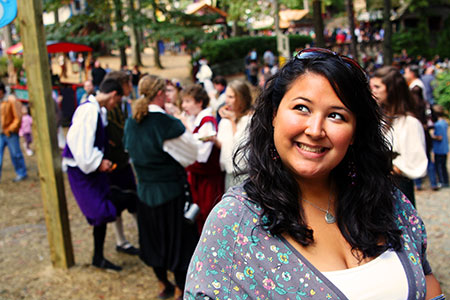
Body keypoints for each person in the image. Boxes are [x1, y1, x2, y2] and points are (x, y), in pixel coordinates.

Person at [185, 48, 444, 299]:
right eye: (302, 108)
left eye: (335, 115)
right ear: (274, 114)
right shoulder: (234, 222)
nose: (315, 130)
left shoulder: (390, 202)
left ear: (354, 132)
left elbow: (428, 286)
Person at [123, 75, 199, 299]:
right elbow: (191, 154)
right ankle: (178, 287)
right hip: (170, 193)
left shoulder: (132, 122)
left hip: (145, 192)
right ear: (160, 94)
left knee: (153, 239)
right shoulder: (166, 124)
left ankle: (161, 282)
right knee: (177, 242)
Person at [62, 78, 135, 271]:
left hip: (91, 170)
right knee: (101, 210)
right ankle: (98, 256)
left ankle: (98, 256)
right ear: (113, 95)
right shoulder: (88, 111)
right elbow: (80, 145)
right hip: (83, 171)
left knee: (102, 213)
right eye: (117, 101)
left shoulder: (98, 111)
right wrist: (96, 161)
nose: (115, 106)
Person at [371, 66, 428, 206]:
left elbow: (417, 163)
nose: (373, 91)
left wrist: (390, 167)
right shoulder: (382, 119)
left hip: (398, 189)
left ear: (391, 90)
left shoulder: (410, 123)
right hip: (379, 188)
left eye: (377, 87)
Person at [103, 71, 139, 256]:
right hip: (114, 162)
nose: (130, 87)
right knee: (117, 201)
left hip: (123, 160)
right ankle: (121, 240)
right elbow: (116, 133)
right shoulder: (110, 107)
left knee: (133, 199)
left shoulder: (124, 104)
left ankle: (142, 236)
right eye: (128, 84)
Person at [180, 84, 224, 233]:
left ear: (199, 102)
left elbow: (202, 156)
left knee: (208, 212)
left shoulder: (207, 121)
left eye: (187, 101)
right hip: (200, 178)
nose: (183, 105)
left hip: (208, 179)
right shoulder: (195, 119)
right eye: (183, 101)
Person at [213, 80, 253, 190]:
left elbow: (239, 146)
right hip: (229, 172)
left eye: (231, 97)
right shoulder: (226, 119)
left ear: (241, 98)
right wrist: (213, 140)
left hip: (243, 173)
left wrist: (232, 120)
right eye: (226, 96)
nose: (226, 101)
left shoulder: (249, 119)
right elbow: (224, 145)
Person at [0, 86, 27, 182]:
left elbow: (18, 117)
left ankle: (21, 173)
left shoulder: (11, 100)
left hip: (10, 133)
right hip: (1, 133)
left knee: (15, 154)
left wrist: (11, 129)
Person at [431, 104, 449, 188]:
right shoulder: (445, 122)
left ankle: (442, 181)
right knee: (443, 166)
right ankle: (445, 180)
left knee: (439, 166)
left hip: (439, 149)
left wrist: (432, 136)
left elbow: (439, 137)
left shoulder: (437, 125)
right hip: (445, 148)